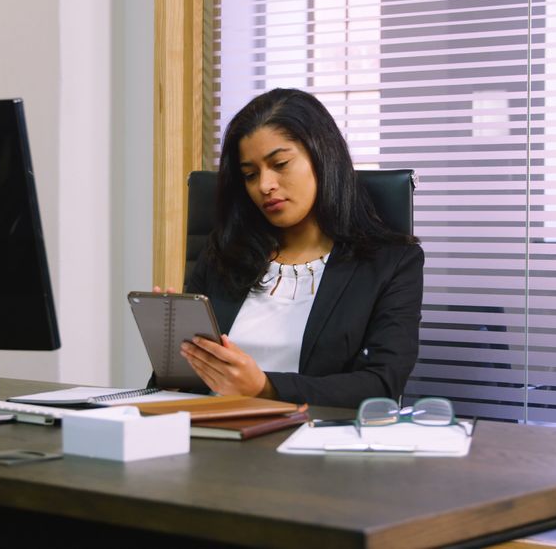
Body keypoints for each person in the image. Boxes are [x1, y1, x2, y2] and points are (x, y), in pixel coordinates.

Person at [175, 88, 424, 408]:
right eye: (250, 175)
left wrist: (265, 387)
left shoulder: (391, 263)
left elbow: (382, 384)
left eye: (280, 164)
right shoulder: (224, 252)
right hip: (210, 435)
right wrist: (171, 340)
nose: (264, 185)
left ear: (322, 156)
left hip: (313, 444)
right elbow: (183, 381)